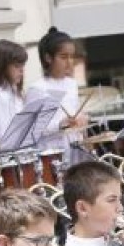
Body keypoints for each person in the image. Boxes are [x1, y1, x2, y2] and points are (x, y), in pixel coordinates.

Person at [26, 27, 89, 166]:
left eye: (72, 56)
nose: (69, 62)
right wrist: (60, 124)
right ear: (48, 58)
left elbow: (76, 112)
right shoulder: (38, 88)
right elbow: (33, 130)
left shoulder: (72, 84)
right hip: (51, 156)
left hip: (74, 150)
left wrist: (80, 120)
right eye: (63, 57)